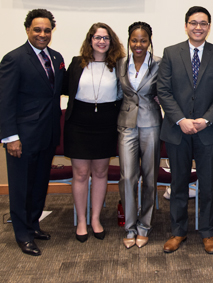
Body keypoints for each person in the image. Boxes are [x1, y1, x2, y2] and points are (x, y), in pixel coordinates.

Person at [157, 6, 213, 255]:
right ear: (186, 25)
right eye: (193, 22)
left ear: (208, 26)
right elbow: (163, 91)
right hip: (177, 130)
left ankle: (208, 232)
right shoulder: (170, 53)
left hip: (207, 131)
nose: (198, 27)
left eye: (203, 23)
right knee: (178, 184)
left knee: (208, 184)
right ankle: (178, 231)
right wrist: (181, 120)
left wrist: (206, 120)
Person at [0, 9, 64, 256]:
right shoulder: (14, 59)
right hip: (22, 138)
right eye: (37, 29)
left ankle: (34, 224)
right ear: (28, 29)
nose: (42, 34)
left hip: (47, 134)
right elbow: (5, 101)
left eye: (47, 30)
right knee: (20, 187)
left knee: (39, 185)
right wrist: (10, 137)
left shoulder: (56, 57)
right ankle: (22, 234)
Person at [64, 23, 125, 242]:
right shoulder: (76, 64)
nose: (101, 41)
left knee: (100, 173)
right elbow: (63, 89)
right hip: (79, 124)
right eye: (97, 37)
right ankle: (82, 220)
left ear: (112, 41)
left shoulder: (118, 66)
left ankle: (95, 219)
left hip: (106, 124)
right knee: (80, 174)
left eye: (106, 38)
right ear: (90, 40)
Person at [117, 21, 162, 249]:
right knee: (127, 177)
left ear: (149, 41)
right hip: (126, 125)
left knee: (150, 176)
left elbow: (167, 91)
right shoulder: (119, 64)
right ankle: (130, 226)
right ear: (129, 40)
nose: (138, 44)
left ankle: (145, 225)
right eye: (134, 40)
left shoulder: (160, 64)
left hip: (152, 123)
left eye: (143, 40)